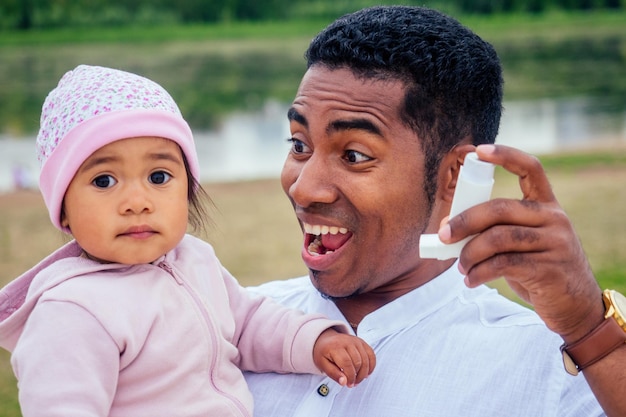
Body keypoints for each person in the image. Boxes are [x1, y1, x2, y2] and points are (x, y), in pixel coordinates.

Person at [244, 6, 626, 416]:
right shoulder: (224, 324)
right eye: (299, 145)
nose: (304, 188)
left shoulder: (551, 369)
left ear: (455, 176)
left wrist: (590, 329)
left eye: (353, 155)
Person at [0, 65, 375, 417]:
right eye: (104, 181)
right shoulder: (72, 310)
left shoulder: (194, 260)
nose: (137, 203)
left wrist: (314, 342)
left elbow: (246, 324)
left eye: (159, 177)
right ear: (63, 209)